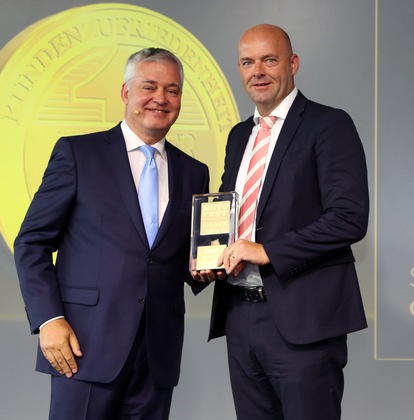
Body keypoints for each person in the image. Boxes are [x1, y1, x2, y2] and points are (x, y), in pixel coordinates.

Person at [13, 47, 209, 420]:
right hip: (84, 346)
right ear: (125, 92)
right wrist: (48, 319)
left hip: (157, 355)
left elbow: (174, 257)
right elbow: (31, 242)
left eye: (172, 90)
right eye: (149, 87)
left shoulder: (194, 172)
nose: (161, 98)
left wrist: (206, 268)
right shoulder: (78, 153)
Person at [198, 24, 369, 419]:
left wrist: (268, 251)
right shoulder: (239, 136)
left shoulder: (328, 124)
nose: (257, 71)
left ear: (292, 63)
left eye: (269, 60)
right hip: (240, 315)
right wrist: (208, 258)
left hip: (304, 320)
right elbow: (230, 212)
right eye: (247, 62)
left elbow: (349, 218)